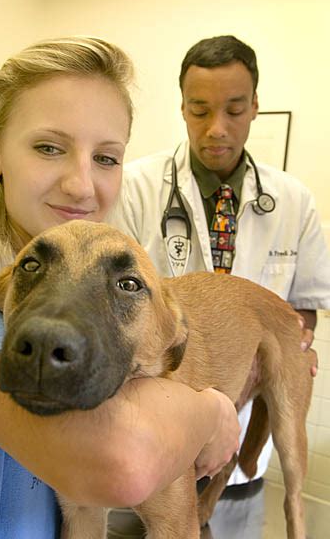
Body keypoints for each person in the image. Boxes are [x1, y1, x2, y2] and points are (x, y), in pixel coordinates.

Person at [0, 36, 241, 539]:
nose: (82, 186)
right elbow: (120, 462)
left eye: (106, 158)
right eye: (48, 147)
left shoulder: (30, 292)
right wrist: (213, 411)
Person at [108, 35, 330, 538]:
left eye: (233, 110)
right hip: (150, 442)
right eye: (199, 110)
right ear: (181, 107)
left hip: (239, 460)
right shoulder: (136, 186)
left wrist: (287, 350)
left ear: (255, 106)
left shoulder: (294, 201)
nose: (216, 129)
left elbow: (304, 312)